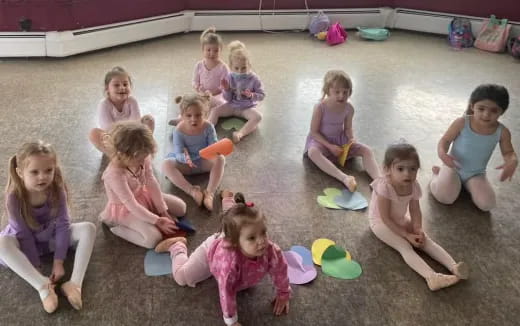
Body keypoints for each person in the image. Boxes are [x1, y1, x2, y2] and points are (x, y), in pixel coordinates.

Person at [155, 191, 291, 326]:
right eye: (252, 238)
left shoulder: (271, 250)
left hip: (233, 240)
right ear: (235, 243)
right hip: (212, 253)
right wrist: (232, 321)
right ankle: (176, 246)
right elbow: (226, 291)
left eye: (263, 232)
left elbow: (280, 271)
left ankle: (228, 198)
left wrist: (284, 293)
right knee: (182, 278)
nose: (262, 241)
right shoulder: (230, 264)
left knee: (233, 220)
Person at [0, 141, 96, 312]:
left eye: (48, 171)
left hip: (49, 237)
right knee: (3, 244)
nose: (42, 177)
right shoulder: (14, 197)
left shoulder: (57, 189)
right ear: (20, 172)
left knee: (88, 228)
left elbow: (63, 224)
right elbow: (23, 235)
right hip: (24, 243)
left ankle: (75, 284)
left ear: (54, 169)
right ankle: (42, 286)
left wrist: (59, 262)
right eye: (34, 172)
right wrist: (35, 266)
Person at [369, 142, 468, 291]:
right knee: (405, 246)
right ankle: (431, 277)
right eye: (400, 169)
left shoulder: (413, 185)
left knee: (425, 240)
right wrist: (406, 235)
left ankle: (454, 267)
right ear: (388, 169)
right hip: (381, 223)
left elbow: (415, 210)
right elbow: (385, 218)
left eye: (412, 169)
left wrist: (417, 228)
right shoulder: (385, 187)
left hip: (400, 219)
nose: (407, 174)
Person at [430, 84, 517, 211]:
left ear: (502, 111)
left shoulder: (502, 131)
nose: (486, 115)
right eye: (481, 109)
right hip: (452, 166)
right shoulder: (461, 122)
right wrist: (442, 154)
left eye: (494, 111)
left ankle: (465, 184)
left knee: (487, 205)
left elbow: (509, 152)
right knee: (445, 198)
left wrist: (512, 161)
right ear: (472, 106)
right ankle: (436, 175)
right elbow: (445, 140)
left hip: (476, 173)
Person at [99, 121, 185, 248]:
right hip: (125, 209)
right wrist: (157, 220)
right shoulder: (114, 175)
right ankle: (117, 228)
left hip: (142, 196)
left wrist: (163, 211)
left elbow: (151, 182)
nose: (143, 161)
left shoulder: (143, 156)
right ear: (122, 154)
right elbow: (131, 204)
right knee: (153, 239)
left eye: (145, 157)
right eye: (139, 159)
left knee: (181, 208)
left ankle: (151, 214)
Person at [304, 70, 380, 191]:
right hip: (321, 141)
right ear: (328, 91)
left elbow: (348, 128)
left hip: (340, 140)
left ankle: (379, 181)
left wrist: (351, 139)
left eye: (345, 92)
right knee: (312, 152)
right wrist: (329, 146)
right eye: (337, 92)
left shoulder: (349, 108)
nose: (341, 96)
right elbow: (314, 132)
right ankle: (344, 178)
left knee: (367, 150)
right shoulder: (320, 107)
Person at [163, 94, 225, 211]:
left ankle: (209, 193)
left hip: (204, 162)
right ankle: (192, 191)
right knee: (166, 164)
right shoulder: (178, 130)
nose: (193, 119)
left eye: (198, 115)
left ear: (205, 114)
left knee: (221, 159)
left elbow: (213, 146)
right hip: (187, 165)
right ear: (181, 116)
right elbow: (178, 152)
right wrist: (184, 158)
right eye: (189, 115)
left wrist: (217, 149)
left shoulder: (209, 127)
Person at [89, 66, 154, 155]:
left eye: (125, 84)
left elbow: (136, 123)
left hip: (132, 136)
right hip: (115, 139)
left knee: (148, 119)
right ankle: (116, 155)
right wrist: (122, 135)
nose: (122, 87)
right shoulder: (104, 104)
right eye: (116, 85)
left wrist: (129, 134)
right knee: (93, 133)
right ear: (107, 88)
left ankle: (143, 150)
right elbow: (108, 128)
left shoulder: (132, 101)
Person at [208, 41, 265, 143]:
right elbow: (227, 98)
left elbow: (261, 96)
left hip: (246, 108)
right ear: (230, 66)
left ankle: (240, 133)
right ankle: (206, 131)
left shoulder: (254, 79)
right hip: (232, 106)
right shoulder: (229, 77)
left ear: (249, 65)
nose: (240, 71)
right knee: (214, 111)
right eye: (236, 68)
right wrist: (226, 90)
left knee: (258, 117)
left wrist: (252, 95)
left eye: (244, 68)